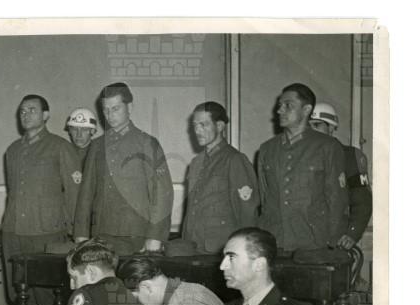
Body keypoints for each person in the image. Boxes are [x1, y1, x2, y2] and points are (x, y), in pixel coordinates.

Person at [1, 94, 83, 305]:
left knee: (48, 298)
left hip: (47, 233)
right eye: (22, 111)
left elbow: (74, 195)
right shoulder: (12, 151)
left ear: (46, 115)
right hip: (14, 232)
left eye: (32, 110)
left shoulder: (60, 147)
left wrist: (76, 234)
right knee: (19, 294)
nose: (26, 115)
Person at [74, 82, 174, 255]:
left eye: (115, 109)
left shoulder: (147, 143)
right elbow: (86, 193)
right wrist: (81, 233)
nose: (110, 115)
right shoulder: (97, 146)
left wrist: (155, 236)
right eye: (106, 110)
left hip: (136, 234)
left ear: (130, 107)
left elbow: (162, 194)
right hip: (101, 233)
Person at [257, 83, 349, 252]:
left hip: (314, 242)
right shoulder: (267, 149)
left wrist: (332, 242)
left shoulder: (327, 146)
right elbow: (264, 197)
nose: (280, 110)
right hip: (274, 241)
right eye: (280, 105)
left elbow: (337, 199)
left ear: (306, 110)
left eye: (288, 105)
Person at [182, 101, 259, 254]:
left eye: (203, 125)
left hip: (220, 248)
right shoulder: (196, 163)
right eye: (195, 125)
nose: (197, 131)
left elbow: (247, 214)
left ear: (219, 126)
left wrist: (243, 251)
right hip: (193, 246)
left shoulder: (235, 160)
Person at [310, 102, 373, 250]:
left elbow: (362, 200)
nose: (311, 131)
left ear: (331, 128)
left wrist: (352, 233)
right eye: (308, 126)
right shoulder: (296, 158)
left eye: (317, 125)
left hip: (335, 240)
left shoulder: (350, 156)